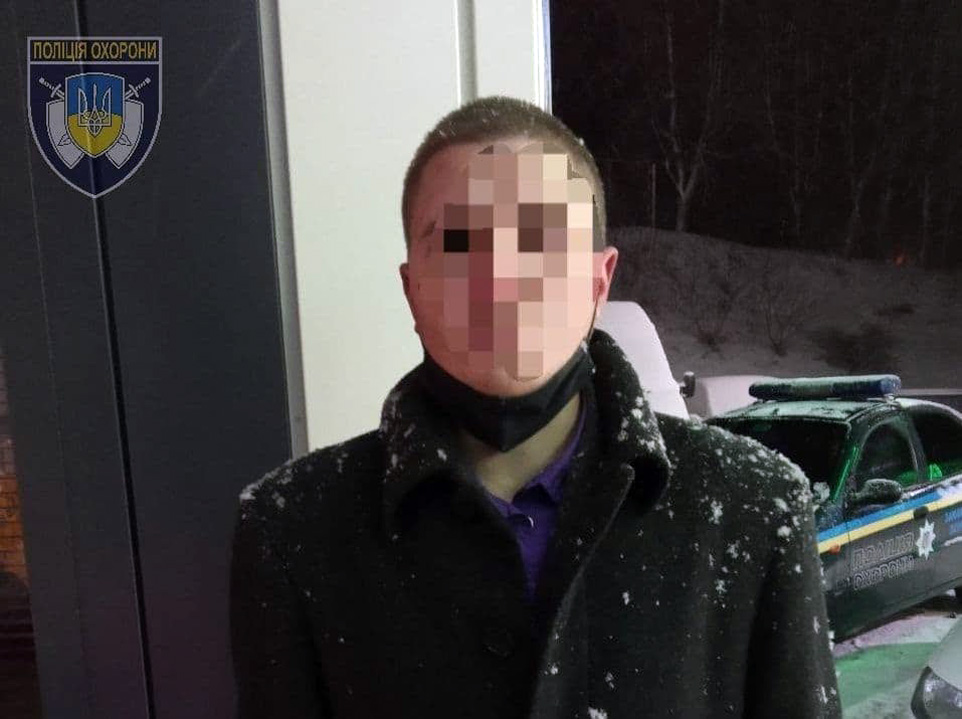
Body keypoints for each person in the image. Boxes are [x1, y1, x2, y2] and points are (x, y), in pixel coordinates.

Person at [230, 96, 841, 718]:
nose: (502, 275)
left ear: (598, 282)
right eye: (460, 241)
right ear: (413, 288)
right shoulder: (293, 532)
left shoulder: (754, 507)